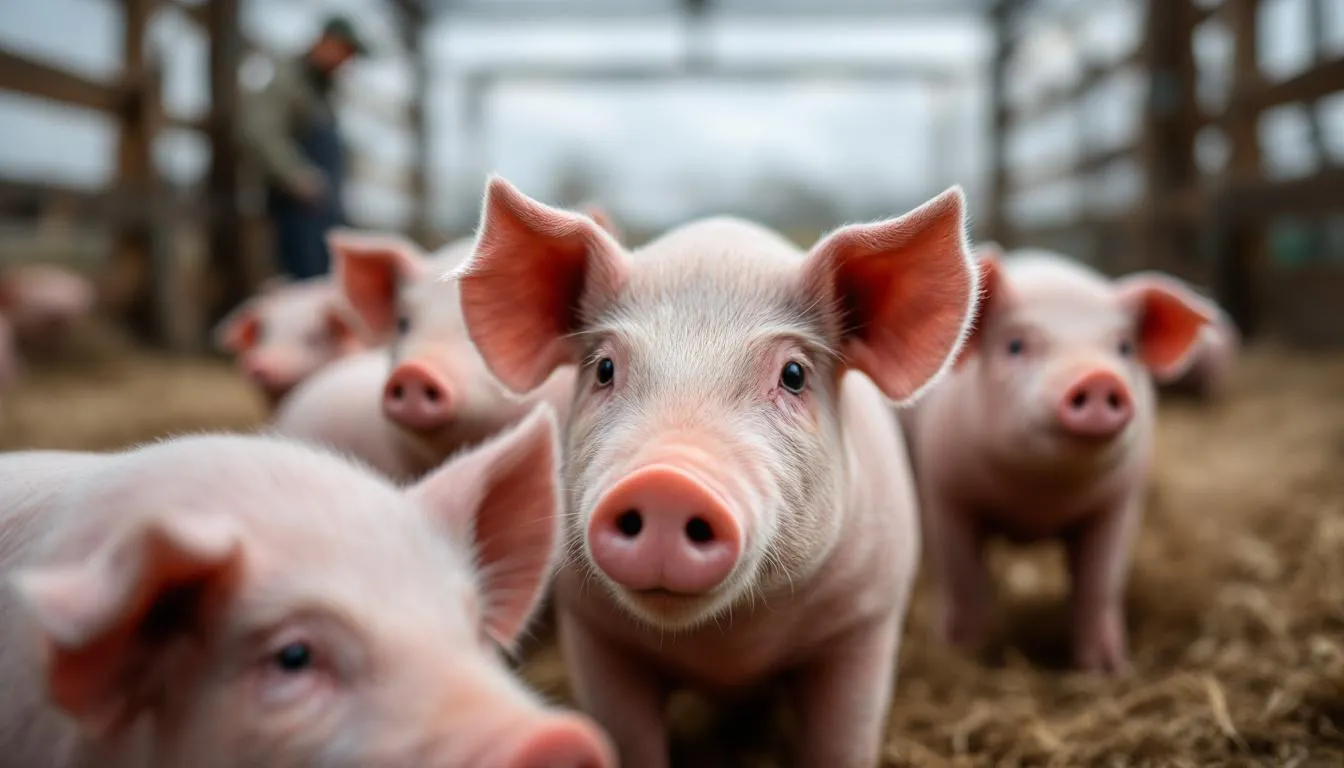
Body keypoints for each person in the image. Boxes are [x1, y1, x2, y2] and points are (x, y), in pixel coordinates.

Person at [241, 16, 368, 280]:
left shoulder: (324, 91)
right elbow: (260, 131)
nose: (346, 61)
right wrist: (295, 175)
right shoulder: (287, 79)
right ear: (324, 43)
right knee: (303, 282)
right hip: (297, 210)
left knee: (329, 278)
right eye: (344, 51)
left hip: (326, 210)